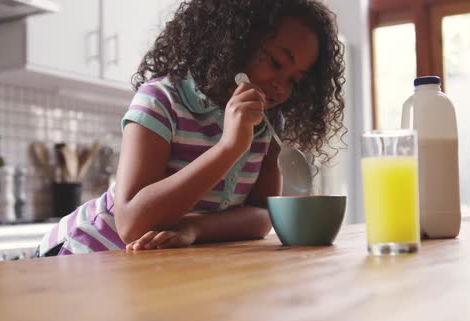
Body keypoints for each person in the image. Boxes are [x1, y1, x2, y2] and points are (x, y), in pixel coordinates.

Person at [38, 0, 345, 256]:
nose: (281, 86)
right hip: (85, 253)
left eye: (295, 79)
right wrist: (229, 148)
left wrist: (193, 228)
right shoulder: (161, 100)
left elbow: (263, 216)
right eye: (277, 62)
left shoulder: (267, 125)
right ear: (237, 39)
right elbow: (130, 223)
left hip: (151, 267)